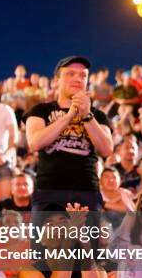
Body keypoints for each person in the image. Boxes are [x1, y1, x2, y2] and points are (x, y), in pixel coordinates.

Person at [25, 56, 113, 211]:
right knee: (46, 237)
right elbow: (34, 143)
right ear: (56, 80)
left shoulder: (97, 116)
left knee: (86, 237)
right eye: (70, 74)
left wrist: (86, 115)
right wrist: (68, 116)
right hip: (48, 191)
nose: (78, 79)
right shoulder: (41, 111)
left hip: (87, 192)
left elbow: (106, 149)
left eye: (83, 75)